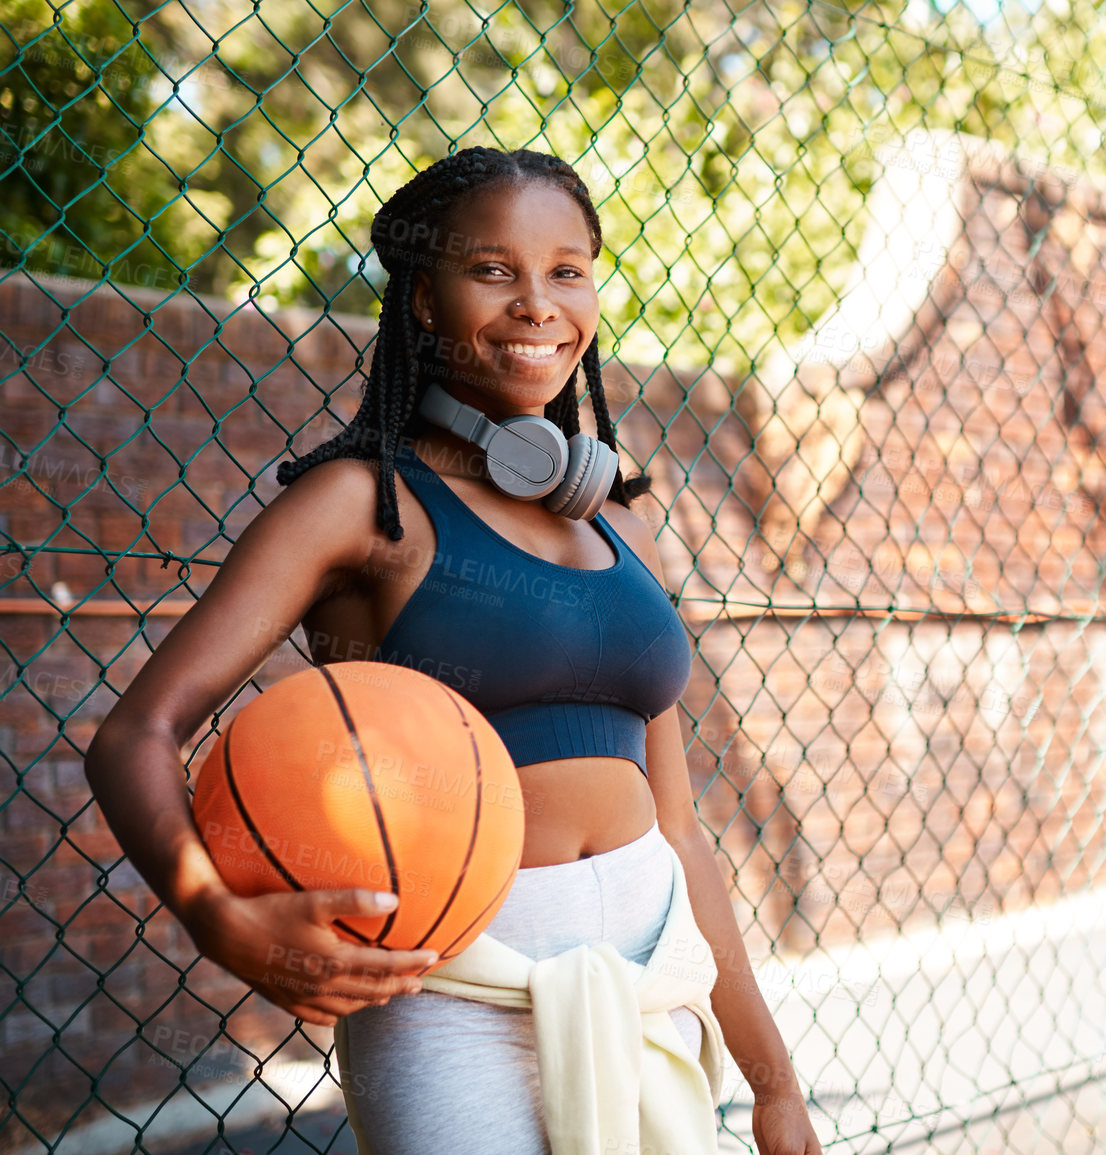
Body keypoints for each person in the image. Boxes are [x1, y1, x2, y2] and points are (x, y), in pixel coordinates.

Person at [83, 146, 823, 1155]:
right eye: (493, 270)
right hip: (453, 993)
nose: (537, 303)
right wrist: (220, 921)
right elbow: (137, 733)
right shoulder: (362, 508)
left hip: (655, 982)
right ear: (425, 301)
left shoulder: (617, 526)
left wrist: (773, 1085)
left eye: (567, 270)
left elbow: (683, 836)